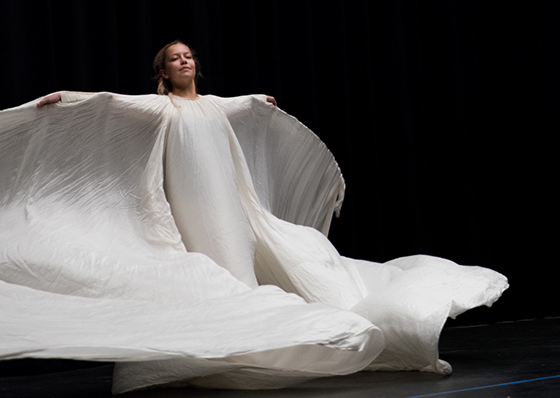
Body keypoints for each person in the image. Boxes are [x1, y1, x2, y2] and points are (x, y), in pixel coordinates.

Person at [1, 40, 509, 393]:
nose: (185, 61)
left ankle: (248, 339)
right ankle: (226, 340)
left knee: (239, 258)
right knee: (213, 265)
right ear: (164, 70)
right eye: (176, 58)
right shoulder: (162, 110)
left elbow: (245, 103)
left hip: (227, 201)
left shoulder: (216, 105)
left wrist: (261, 101)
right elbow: (110, 104)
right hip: (193, 203)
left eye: (189, 56)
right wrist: (66, 99)